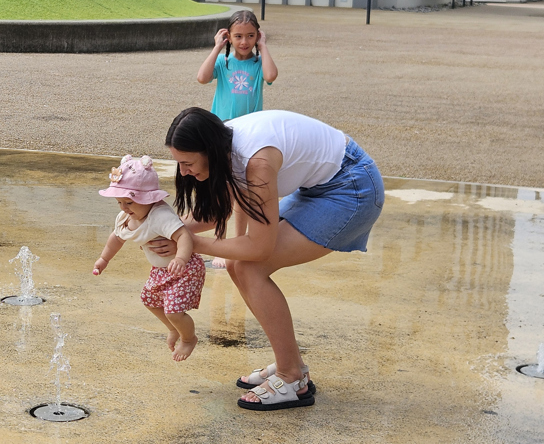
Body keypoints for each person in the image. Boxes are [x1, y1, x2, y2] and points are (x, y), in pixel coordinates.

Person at [160, 107, 384, 410]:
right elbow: (219, 208)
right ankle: (291, 367)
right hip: (321, 186)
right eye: (179, 163)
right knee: (243, 265)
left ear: (209, 149)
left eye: (187, 163)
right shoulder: (224, 145)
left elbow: (258, 248)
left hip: (352, 187)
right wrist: (169, 231)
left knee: (250, 267)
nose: (183, 171)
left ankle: (291, 377)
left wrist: (192, 243)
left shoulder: (257, 162)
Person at [92, 155, 206, 362]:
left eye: (129, 202)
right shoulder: (127, 217)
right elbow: (116, 238)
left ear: (150, 199)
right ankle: (173, 329)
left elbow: (183, 235)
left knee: (173, 310)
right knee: (149, 300)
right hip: (160, 270)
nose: (124, 208)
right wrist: (104, 259)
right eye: (119, 202)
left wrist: (181, 258)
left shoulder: (160, 215)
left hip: (184, 269)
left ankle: (189, 339)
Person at [197, 10, 278, 269]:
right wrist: (217, 48)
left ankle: (237, 243)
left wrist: (264, 47)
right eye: (238, 36)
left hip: (251, 133)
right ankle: (219, 242)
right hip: (223, 131)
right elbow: (202, 77)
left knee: (243, 190)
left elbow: (271, 75)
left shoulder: (257, 63)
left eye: (251, 36)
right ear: (228, 36)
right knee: (223, 189)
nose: (245, 42)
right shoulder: (223, 63)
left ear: (258, 36)